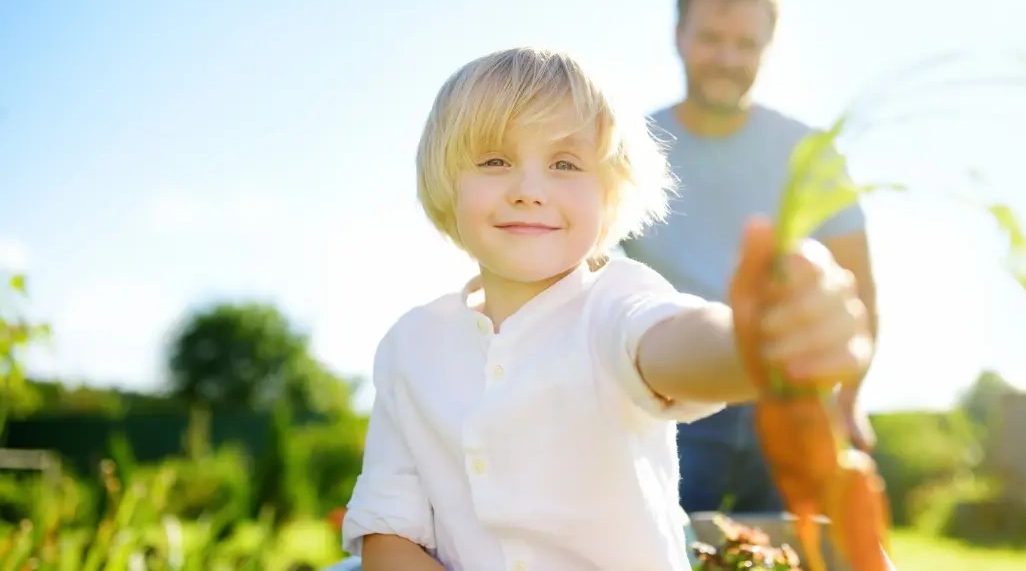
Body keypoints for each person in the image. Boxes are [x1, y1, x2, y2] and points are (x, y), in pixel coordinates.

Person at [342, 46, 874, 570]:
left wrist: (756, 342)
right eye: (495, 161)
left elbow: (674, 342)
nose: (529, 190)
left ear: (609, 194)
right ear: (446, 180)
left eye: (565, 163)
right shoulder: (410, 346)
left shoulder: (615, 301)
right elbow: (388, 534)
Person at [622, 0, 880, 515]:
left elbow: (856, 286)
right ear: (679, 37)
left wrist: (850, 399)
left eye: (745, 44)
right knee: (665, 543)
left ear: (767, 49)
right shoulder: (629, 150)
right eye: (711, 39)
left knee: (801, 543)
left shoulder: (807, 151)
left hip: (790, 395)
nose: (727, 58)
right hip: (674, 395)